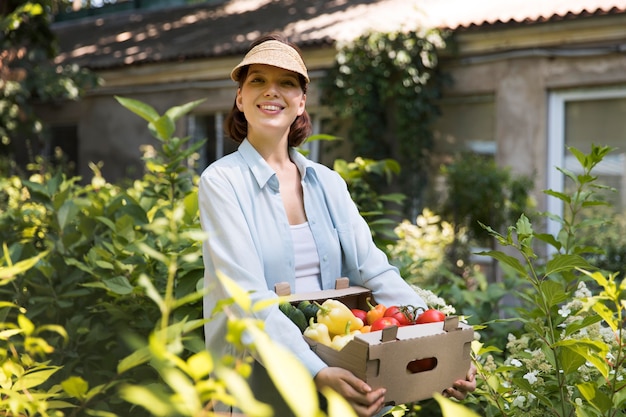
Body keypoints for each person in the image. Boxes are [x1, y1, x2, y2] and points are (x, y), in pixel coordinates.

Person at [198, 33, 476, 417]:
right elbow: (247, 301)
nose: (271, 91)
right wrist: (317, 370)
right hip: (259, 383)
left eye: (286, 82)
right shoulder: (222, 182)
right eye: (257, 80)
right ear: (240, 98)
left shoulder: (327, 183)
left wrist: (436, 348)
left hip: (344, 375)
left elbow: (376, 271)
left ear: (301, 102)